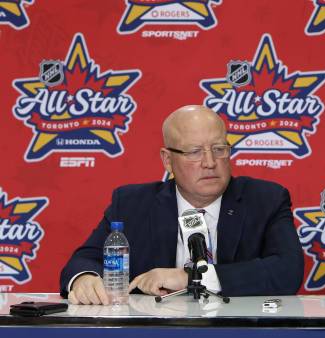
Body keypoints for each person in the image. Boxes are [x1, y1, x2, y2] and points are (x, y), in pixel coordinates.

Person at [60, 105, 304, 304]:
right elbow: (84, 260)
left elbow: (287, 271)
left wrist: (190, 278)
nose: (209, 162)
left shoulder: (265, 199)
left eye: (219, 149)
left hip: (239, 336)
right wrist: (85, 278)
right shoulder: (132, 203)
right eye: (194, 152)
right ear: (168, 160)